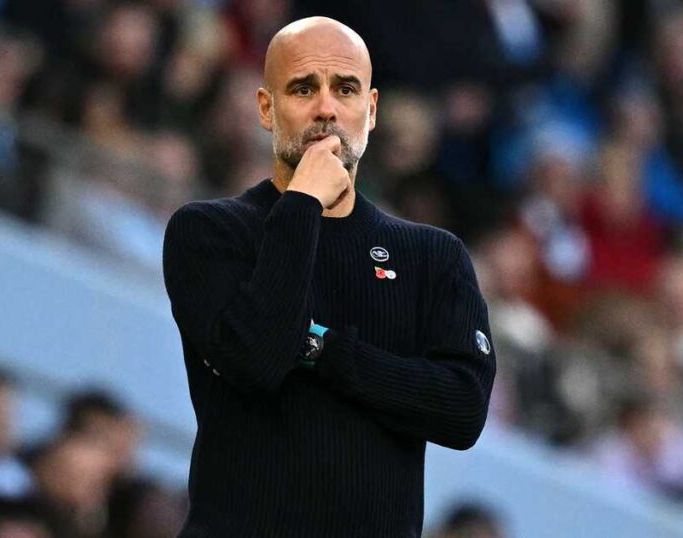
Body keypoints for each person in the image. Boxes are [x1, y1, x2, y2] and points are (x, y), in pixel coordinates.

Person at [162, 16, 496, 537]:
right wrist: (301, 203)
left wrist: (323, 349)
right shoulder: (209, 231)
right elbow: (257, 359)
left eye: (345, 89)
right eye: (302, 89)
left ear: (372, 109)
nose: (326, 108)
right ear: (266, 108)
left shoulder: (433, 255)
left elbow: (462, 409)